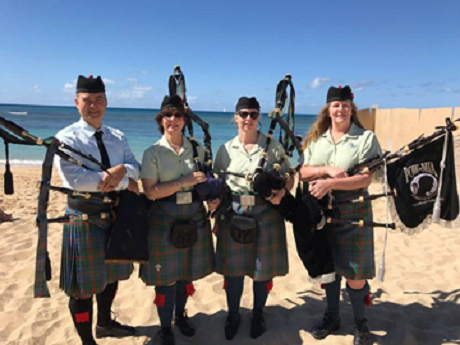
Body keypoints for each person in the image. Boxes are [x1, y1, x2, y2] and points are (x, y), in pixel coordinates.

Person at [55, 75, 140, 345]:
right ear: (76, 103)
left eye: (98, 100)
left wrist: (123, 170)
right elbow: (76, 180)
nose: (93, 106)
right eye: (87, 101)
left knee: (111, 275)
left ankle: (104, 324)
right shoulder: (65, 138)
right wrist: (125, 182)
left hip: (115, 215)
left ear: (106, 102)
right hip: (84, 218)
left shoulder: (118, 136)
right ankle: (86, 340)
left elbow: (136, 166)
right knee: (82, 288)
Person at [299, 86, 382, 345]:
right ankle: (332, 317)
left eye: (345, 105)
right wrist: (325, 170)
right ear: (328, 110)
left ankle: (360, 323)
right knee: (329, 270)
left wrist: (331, 183)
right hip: (321, 212)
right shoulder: (316, 140)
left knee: (355, 276)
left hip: (354, 209)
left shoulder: (365, 138)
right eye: (336, 105)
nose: (341, 109)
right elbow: (302, 172)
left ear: (352, 109)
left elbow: (366, 178)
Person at [209, 96, 293, 340]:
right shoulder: (225, 150)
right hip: (233, 211)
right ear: (235, 117)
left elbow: (289, 176)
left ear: (259, 118)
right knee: (232, 271)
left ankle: (258, 314)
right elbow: (219, 185)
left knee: (261, 270)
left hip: (265, 212)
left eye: (253, 114)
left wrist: (283, 192)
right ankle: (233, 315)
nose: (248, 119)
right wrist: (215, 211)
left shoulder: (273, 146)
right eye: (243, 114)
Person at [141, 95, 215, 345]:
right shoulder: (152, 152)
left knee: (185, 274)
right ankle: (165, 327)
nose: (172, 120)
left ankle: (180, 316)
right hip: (163, 216)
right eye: (167, 115)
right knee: (164, 279)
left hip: (194, 214)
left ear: (185, 119)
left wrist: (214, 200)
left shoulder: (197, 149)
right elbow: (151, 191)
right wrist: (183, 182)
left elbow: (206, 183)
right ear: (160, 120)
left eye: (178, 115)